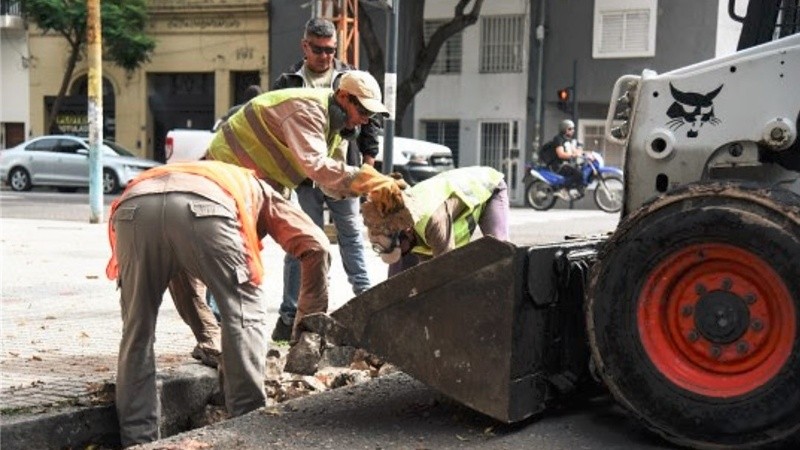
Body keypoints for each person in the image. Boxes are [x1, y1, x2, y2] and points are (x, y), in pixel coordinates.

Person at [106, 160, 331, 447]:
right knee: (243, 314)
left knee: (136, 331)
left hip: (133, 209)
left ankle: (138, 441)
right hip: (206, 209)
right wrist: (308, 325)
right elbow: (316, 246)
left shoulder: (211, 173)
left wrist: (210, 339)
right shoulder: (264, 192)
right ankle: (248, 429)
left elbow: (185, 285)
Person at [204, 70, 407, 331]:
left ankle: (222, 321)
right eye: (363, 113)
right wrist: (369, 179)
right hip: (231, 169)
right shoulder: (308, 111)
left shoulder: (333, 128)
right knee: (232, 246)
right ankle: (216, 323)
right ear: (344, 97)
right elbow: (317, 168)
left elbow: (329, 183)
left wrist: (369, 188)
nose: (365, 121)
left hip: (258, 180)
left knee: (243, 247)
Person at [271, 17, 379, 341]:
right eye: (318, 49)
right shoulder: (290, 81)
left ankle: (367, 304)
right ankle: (290, 315)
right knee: (301, 243)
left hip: (343, 173)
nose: (325, 56)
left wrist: (368, 169)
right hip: (306, 177)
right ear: (305, 46)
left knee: (351, 238)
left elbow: (370, 125)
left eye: (330, 50)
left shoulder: (348, 79)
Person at [361, 166, 509, 277]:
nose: (404, 254)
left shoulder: (433, 220)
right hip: (445, 204)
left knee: (499, 251)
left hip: (489, 186)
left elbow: (447, 271)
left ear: (406, 230)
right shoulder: (396, 221)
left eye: (402, 250)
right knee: (403, 269)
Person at [539, 119, 588, 194]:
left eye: (573, 128)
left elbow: (575, 151)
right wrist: (573, 155)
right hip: (558, 165)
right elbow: (560, 154)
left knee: (581, 170)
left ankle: (573, 188)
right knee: (579, 174)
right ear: (564, 129)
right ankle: (563, 188)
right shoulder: (558, 139)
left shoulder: (568, 140)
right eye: (570, 129)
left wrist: (588, 154)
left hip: (566, 164)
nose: (572, 130)